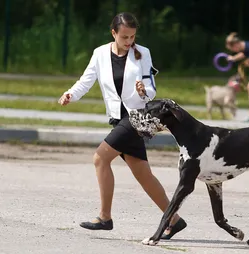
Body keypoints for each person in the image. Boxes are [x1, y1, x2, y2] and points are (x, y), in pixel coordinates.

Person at [58, 12, 187, 239]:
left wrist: (143, 91)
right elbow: (86, 80)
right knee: (143, 174)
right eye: (125, 37)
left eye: (132, 37)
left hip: (136, 118)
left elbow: (151, 87)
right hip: (119, 118)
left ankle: (105, 217)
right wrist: (70, 94)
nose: (129, 42)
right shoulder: (100, 54)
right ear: (114, 33)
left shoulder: (142, 53)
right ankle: (174, 220)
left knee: (100, 158)